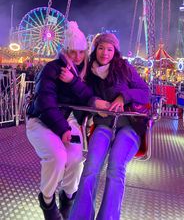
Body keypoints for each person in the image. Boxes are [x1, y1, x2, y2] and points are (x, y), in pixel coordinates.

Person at [69, 33, 150, 220]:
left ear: (115, 52)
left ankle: (108, 217)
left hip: (128, 125)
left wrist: (124, 96)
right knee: (91, 167)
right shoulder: (88, 73)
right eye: (101, 48)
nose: (105, 53)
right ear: (95, 49)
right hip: (103, 124)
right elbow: (81, 95)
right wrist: (95, 102)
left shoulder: (125, 69)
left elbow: (145, 92)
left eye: (109, 49)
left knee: (116, 167)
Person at [26, 21, 93, 220]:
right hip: (41, 121)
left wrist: (72, 81)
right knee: (57, 157)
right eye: (73, 52)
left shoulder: (83, 73)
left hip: (68, 122)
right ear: (65, 50)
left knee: (75, 160)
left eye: (81, 52)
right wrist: (62, 128)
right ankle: (47, 200)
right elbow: (45, 101)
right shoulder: (52, 69)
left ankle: (68, 197)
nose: (78, 57)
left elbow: (89, 96)